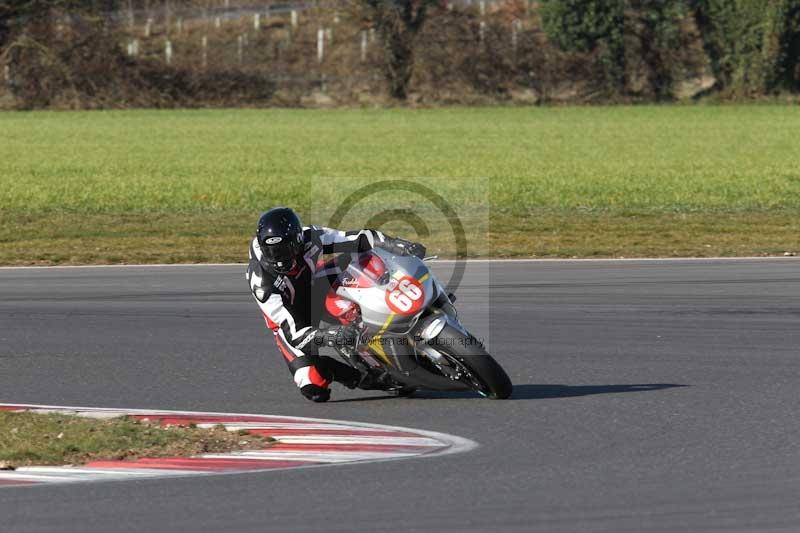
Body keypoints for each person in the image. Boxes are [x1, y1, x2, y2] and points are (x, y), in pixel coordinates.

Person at [246, 207, 426, 403]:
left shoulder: (311, 237)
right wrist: (329, 336)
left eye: (284, 250)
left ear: (298, 240)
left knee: (365, 258)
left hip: (316, 284)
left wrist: (397, 244)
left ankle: (403, 301)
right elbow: (294, 334)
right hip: (292, 319)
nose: (280, 259)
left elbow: (358, 238)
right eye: (272, 252)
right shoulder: (262, 282)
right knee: (313, 387)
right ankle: (368, 378)